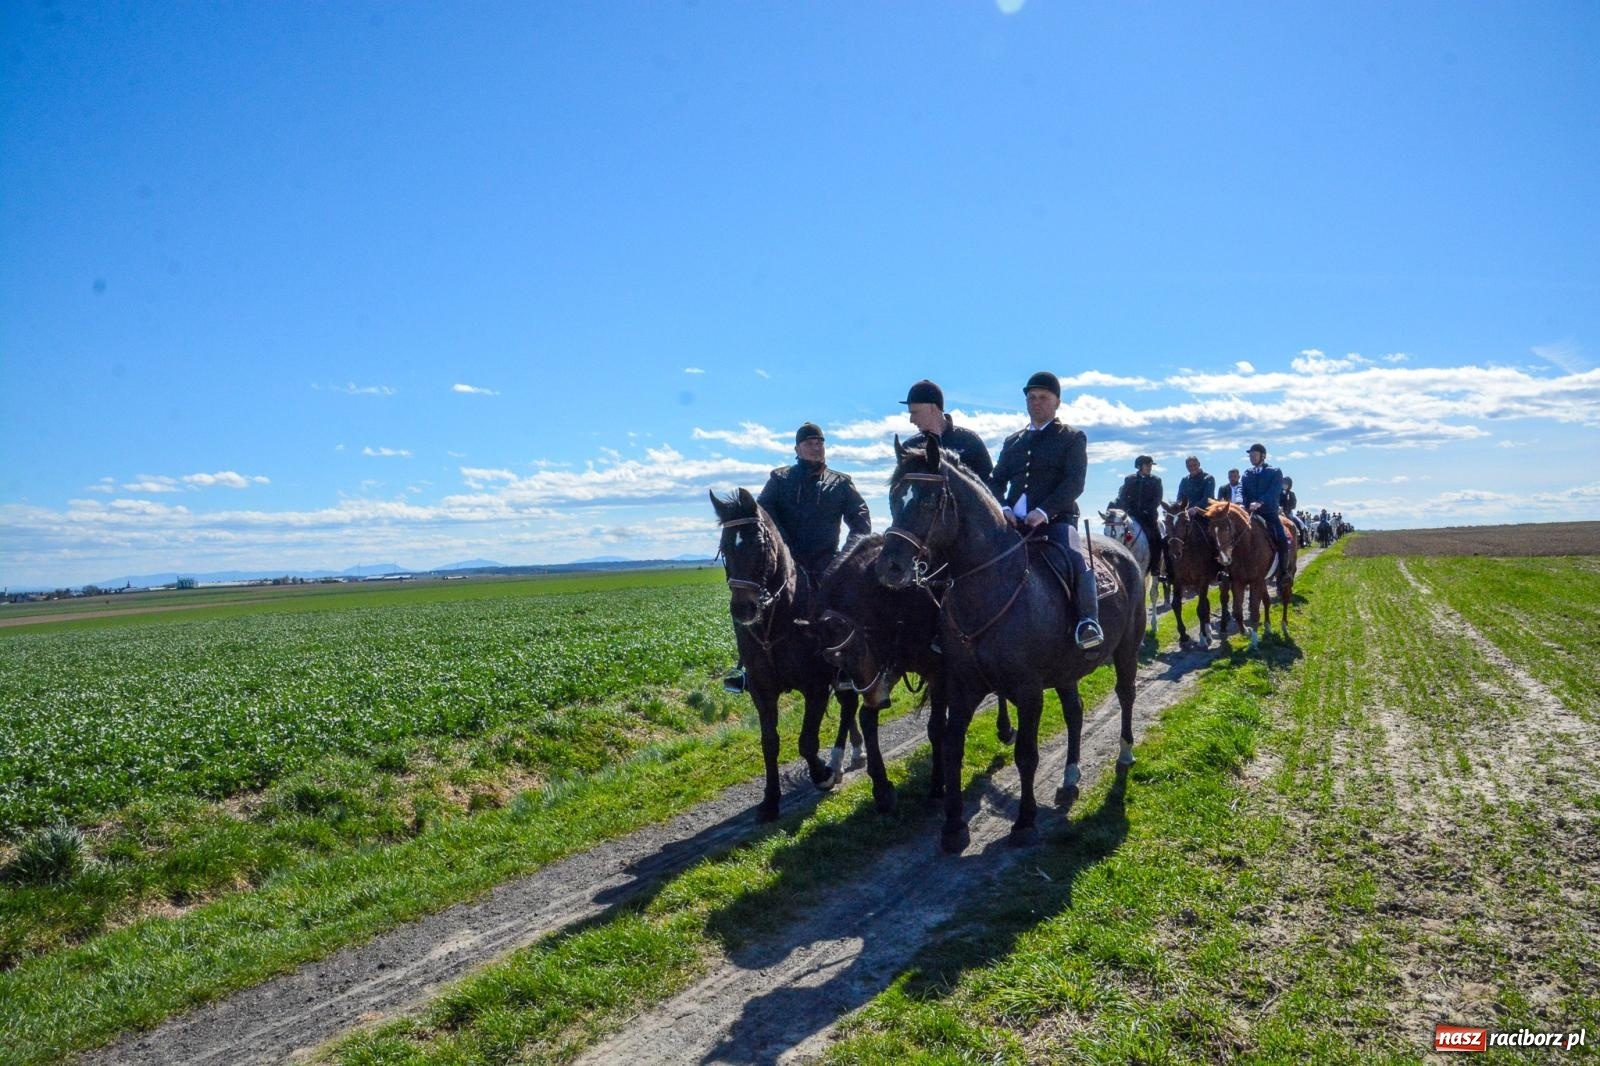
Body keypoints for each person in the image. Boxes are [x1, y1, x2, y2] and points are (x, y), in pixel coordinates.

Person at [724, 422, 871, 692]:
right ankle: (746, 667)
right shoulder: (779, 480)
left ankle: (844, 668)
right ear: (797, 449)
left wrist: (845, 560)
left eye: (820, 442)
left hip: (826, 563)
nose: (816, 446)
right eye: (809, 443)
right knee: (747, 601)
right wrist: (780, 552)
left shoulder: (840, 483)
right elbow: (762, 518)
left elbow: (861, 524)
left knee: (845, 607)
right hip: (785, 564)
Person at [989, 371, 1102, 649]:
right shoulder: (1013, 441)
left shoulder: (1072, 438)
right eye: (1031, 398)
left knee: (1076, 559)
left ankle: (1088, 623)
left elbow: (1075, 482)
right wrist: (1002, 506)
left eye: (1042, 397)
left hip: (1056, 521)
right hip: (1013, 524)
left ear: (1057, 402)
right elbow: (995, 480)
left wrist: (1044, 511)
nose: (1036, 403)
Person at [900, 379, 992, 481]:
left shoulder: (969, 441)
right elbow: (898, 489)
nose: (911, 420)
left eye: (915, 412)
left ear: (932, 408)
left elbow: (992, 485)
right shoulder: (910, 447)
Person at [1240, 443, 1290, 577]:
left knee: (1282, 537)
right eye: (1250, 456)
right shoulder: (1246, 474)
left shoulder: (1274, 472)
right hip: (1250, 513)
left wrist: (1260, 502)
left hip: (1269, 513)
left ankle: (1284, 571)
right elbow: (1242, 490)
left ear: (1263, 456)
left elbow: (1274, 491)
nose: (1251, 458)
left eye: (1254, 455)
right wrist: (1243, 503)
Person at [1114, 455, 1165, 575]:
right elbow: (1123, 497)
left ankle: (1155, 566)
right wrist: (1127, 510)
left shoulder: (1156, 480)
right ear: (1139, 466)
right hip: (1131, 515)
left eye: (1150, 465)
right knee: (1117, 533)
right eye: (1147, 465)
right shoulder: (1130, 479)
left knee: (1156, 538)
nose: (1149, 467)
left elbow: (1157, 499)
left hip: (1148, 516)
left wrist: (1146, 510)